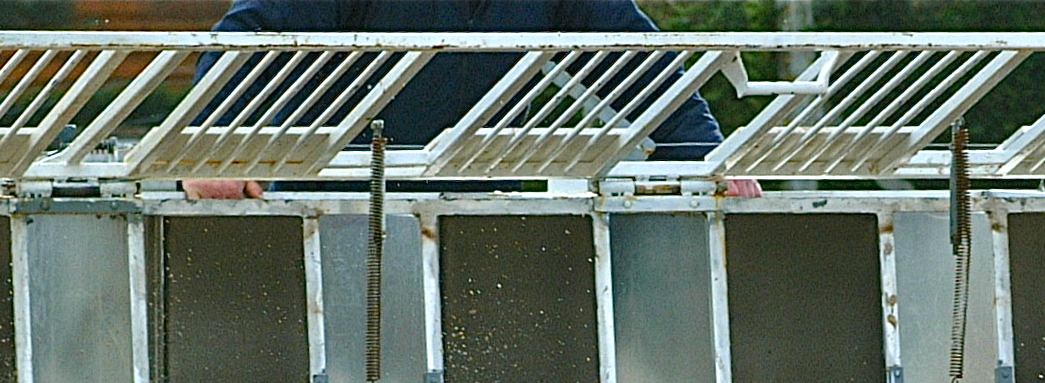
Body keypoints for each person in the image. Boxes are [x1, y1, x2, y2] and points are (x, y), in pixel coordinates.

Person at [183, 0, 760, 199]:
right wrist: (212, 146)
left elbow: (633, 63)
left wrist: (707, 161)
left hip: (475, 222)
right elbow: (251, 36)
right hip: (332, 217)